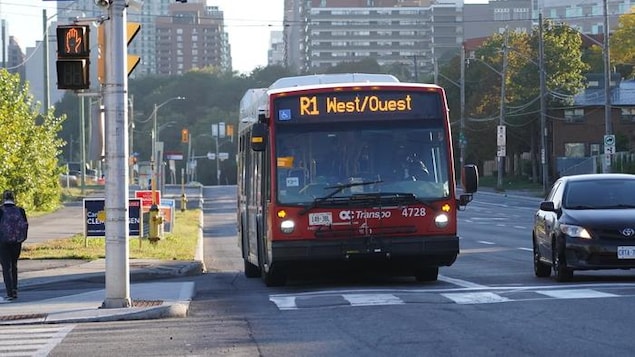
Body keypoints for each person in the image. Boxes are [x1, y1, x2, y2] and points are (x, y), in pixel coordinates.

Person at [0, 190, 28, 301]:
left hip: (2, 242)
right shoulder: (20, 210)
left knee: (6, 267)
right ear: (13, 198)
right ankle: (15, 290)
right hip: (17, 241)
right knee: (14, 264)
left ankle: (9, 292)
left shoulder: (0, 211)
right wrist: (21, 238)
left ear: (3, 198)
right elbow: (25, 225)